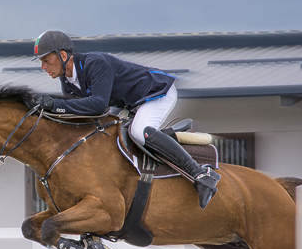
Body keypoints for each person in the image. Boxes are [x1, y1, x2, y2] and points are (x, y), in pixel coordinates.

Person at [30, 30, 220, 209]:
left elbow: (97, 106)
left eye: (46, 60)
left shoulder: (95, 63)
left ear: (63, 56)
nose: (43, 67)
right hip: (130, 103)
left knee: (139, 132)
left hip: (155, 93)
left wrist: (55, 104)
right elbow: (82, 114)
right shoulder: (68, 81)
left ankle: (201, 175)